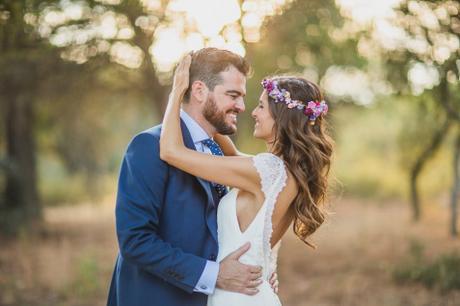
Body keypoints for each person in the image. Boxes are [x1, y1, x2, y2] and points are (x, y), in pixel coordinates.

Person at [107, 48, 278, 306]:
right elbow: (135, 240)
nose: (242, 107)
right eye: (233, 95)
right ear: (198, 91)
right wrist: (214, 274)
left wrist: (260, 267)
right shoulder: (148, 146)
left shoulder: (220, 152)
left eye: (242, 97)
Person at [160, 54, 333, 306]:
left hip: (236, 297)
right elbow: (231, 152)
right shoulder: (287, 173)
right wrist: (213, 111)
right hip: (252, 293)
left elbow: (170, 152)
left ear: (281, 117)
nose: (252, 112)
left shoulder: (265, 170)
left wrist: (177, 91)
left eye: (261, 107)